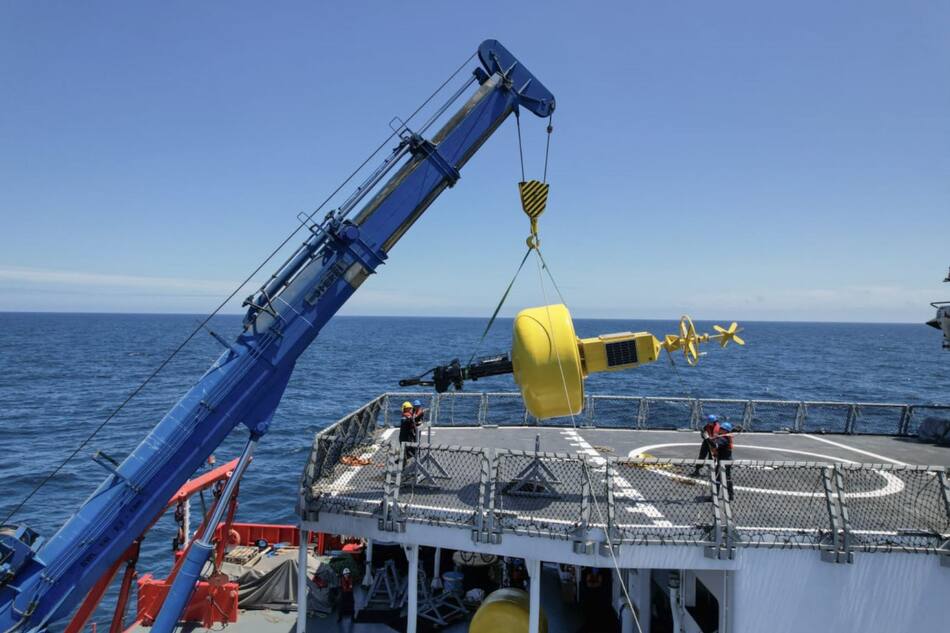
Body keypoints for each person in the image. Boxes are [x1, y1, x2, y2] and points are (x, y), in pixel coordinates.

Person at [712, 421, 735, 500]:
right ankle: (730, 495)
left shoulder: (723, 439)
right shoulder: (724, 437)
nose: (720, 429)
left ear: (725, 431)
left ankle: (715, 496)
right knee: (727, 478)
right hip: (727, 461)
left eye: (722, 429)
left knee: (717, 478)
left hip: (723, 462)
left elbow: (715, 445)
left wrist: (708, 439)